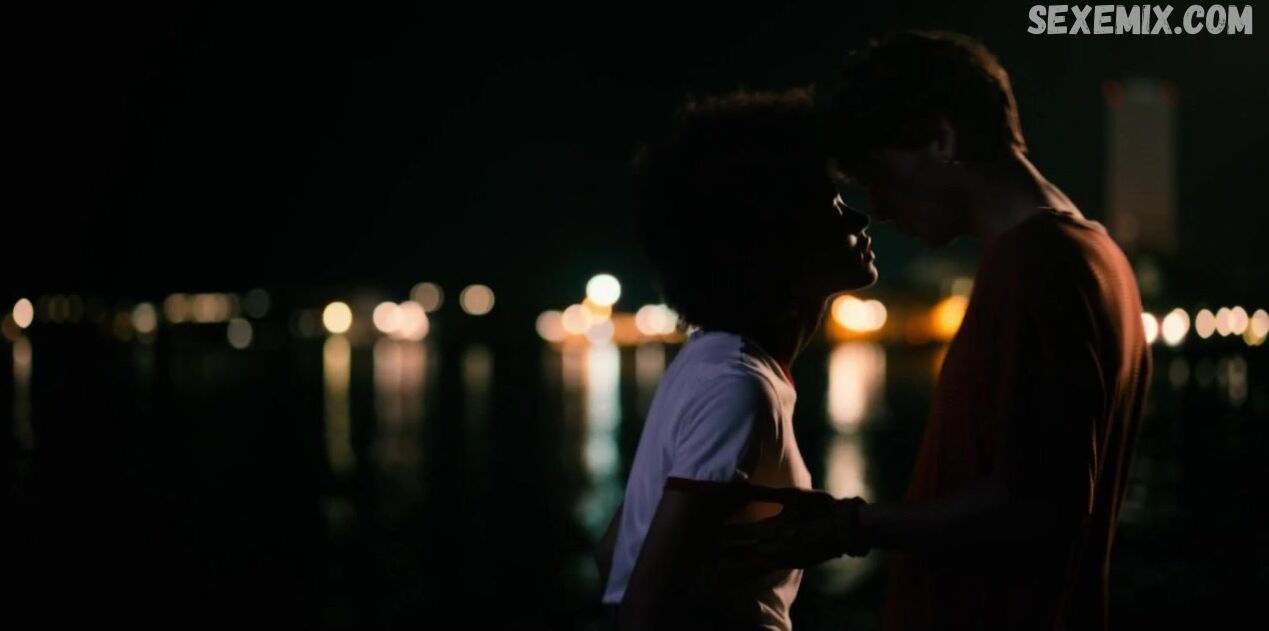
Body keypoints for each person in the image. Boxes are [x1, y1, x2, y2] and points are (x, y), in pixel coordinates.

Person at [726, 32, 1152, 631]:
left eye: (878, 175)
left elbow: (1036, 505)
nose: (877, 207)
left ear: (941, 139)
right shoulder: (1103, 258)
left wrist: (851, 525)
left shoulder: (1033, 264)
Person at [595, 87, 878, 630]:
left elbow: (613, 554)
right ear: (778, 237)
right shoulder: (737, 385)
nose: (860, 219)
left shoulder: (708, 362)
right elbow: (643, 609)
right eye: (834, 206)